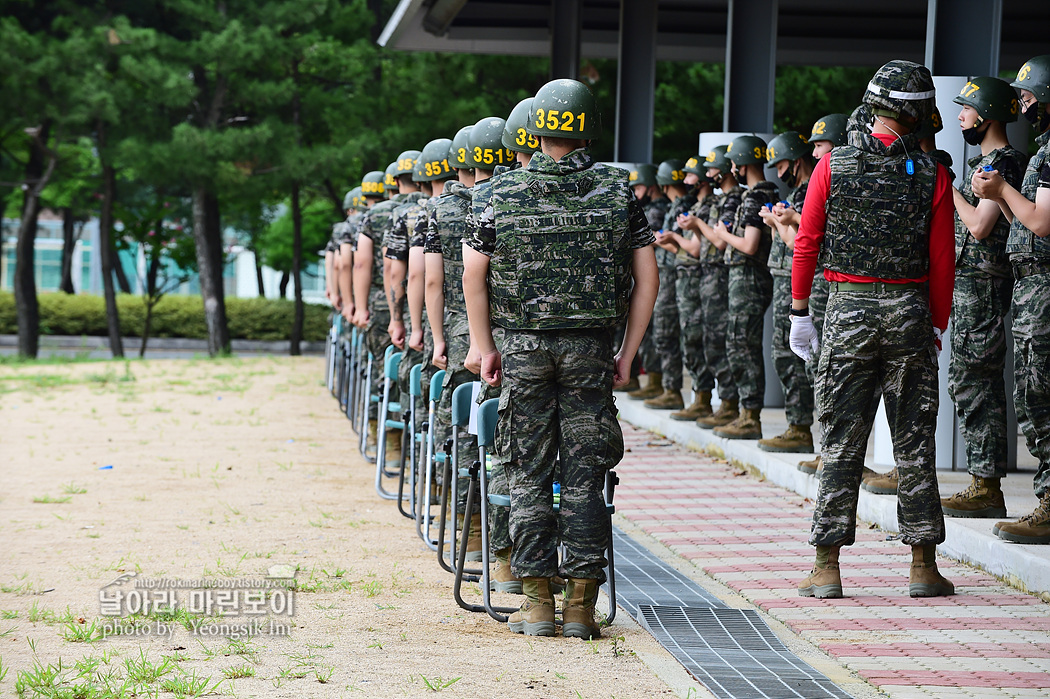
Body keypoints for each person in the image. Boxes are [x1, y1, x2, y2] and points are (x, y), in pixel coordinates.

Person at [463, 78, 658, 639]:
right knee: (584, 474)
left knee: (526, 471)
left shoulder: (499, 194)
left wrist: (484, 344)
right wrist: (627, 351)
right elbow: (648, 278)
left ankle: (537, 601)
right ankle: (580, 603)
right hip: (592, 350)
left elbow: (474, 273)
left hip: (523, 349)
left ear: (538, 130)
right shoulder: (618, 191)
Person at [790, 60, 955, 598]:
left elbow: (807, 242)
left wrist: (799, 311)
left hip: (848, 311)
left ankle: (826, 567)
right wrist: (935, 322)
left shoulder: (832, 164)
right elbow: (941, 260)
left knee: (840, 439)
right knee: (914, 440)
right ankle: (923, 567)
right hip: (908, 310)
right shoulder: (935, 172)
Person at [937, 77, 1026, 520]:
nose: (960, 116)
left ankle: (987, 485)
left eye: (966, 109)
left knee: (977, 380)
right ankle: (981, 480)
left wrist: (948, 186)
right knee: (967, 379)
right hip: (969, 285)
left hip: (985, 286)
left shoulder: (1004, 163)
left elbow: (979, 226)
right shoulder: (986, 161)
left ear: (986, 114)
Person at [971, 55, 1050, 544]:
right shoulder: (1042, 149)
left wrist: (1000, 187)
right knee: (1031, 395)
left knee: (1040, 395)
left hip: (1043, 285)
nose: (1024, 105)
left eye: (1030, 97)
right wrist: (1000, 193)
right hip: (1031, 285)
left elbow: (1041, 222)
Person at [706, 135, 778, 440]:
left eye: (735, 162)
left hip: (747, 277)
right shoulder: (765, 192)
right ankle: (746, 413)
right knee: (740, 344)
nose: (731, 167)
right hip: (747, 278)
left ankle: (750, 417)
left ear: (744, 163)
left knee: (741, 345)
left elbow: (748, 245)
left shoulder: (753, 197)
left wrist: (723, 232)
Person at [758, 131, 817, 453]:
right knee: (783, 354)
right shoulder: (798, 192)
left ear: (796, 160)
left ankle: (800, 427)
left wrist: (775, 223)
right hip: (785, 279)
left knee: (795, 355)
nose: (780, 173)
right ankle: (797, 425)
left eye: (781, 165)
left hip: (800, 282)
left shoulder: (812, 191)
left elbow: (797, 243)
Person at [797, 116, 846, 474]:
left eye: (819, 145)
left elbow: (809, 243)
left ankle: (836, 457)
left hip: (839, 293)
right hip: (834, 291)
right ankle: (828, 451)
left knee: (835, 380)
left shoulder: (835, 174)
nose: (814, 153)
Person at [690, 145, 742, 429]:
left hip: (722, 276)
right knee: (710, 339)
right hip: (711, 274)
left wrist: (698, 223)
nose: (707, 174)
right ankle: (724, 402)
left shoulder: (734, 200)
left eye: (711, 168)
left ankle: (730, 403)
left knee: (722, 341)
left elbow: (720, 241)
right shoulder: (721, 200)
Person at [663, 157, 718, 421]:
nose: (685, 182)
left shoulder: (706, 208)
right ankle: (700, 396)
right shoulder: (696, 206)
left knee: (697, 339)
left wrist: (673, 237)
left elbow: (695, 249)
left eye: (691, 177)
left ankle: (704, 397)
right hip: (687, 277)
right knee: (690, 339)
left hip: (698, 279)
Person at [645, 159, 693, 411]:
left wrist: (656, 239)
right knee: (663, 330)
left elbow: (677, 245)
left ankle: (671, 388)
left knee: (666, 330)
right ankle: (666, 386)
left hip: (675, 272)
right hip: (669, 271)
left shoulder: (682, 206)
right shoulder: (676, 205)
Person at [625, 164, 669, 400]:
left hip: (663, 274)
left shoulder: (657, 210)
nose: (636, 191)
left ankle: (656, 380)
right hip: (654, 274)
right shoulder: (646, 208)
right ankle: (650, 379)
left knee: (658, 331)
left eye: (640, 185)